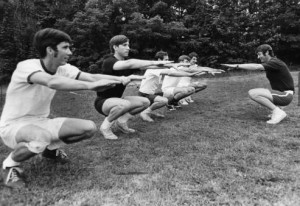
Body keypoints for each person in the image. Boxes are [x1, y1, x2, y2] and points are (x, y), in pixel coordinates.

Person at [0, 28, 127, 189]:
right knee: (41, 138)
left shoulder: (64, 68)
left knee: (88, 128)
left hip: (41, 121)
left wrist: (122, 78)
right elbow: (52, 82)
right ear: (50, 50)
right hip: (13, 126)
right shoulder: (27, 66)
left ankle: (50, 150)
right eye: (65, 47)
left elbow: (92, 76)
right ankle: (10, 165)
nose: (70, 52)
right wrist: (91, 86)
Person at [94, 35, 172, 139]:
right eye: (124, 45)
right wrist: (157, 61)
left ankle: (121, 122)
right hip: (103, 102)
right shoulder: (109, 61)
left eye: (128, 45)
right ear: (115, 47)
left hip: (117, 100)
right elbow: (130, 64)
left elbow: (148, 66)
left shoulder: (125, 63)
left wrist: (170, 65)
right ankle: (105, 127)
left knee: (145, 102)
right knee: (124, 104)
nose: (128, 48)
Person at [222, 44, 294, 124]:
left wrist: (236, 66)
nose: (258, 57)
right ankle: (278, 110)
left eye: (259, 54)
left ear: (266, 53)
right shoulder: (272, 63)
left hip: (286, 95)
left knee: (253, 93)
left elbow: (256, 66)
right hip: (282, 95)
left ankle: (278, 112)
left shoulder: (275, 62)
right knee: (259, 92)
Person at [138, 51, 202, 122]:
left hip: (151, 94)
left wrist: (187, 72)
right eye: (166, 60)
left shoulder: (160, 68)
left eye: (168, 60)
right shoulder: (154, 69)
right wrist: (189, 74)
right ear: (159, 60)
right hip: (144, 95)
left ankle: (150, 112)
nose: (168, 62)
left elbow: (176, 71)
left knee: (170, 95)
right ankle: (145, 113)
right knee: (164, 100)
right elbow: (170, 73)